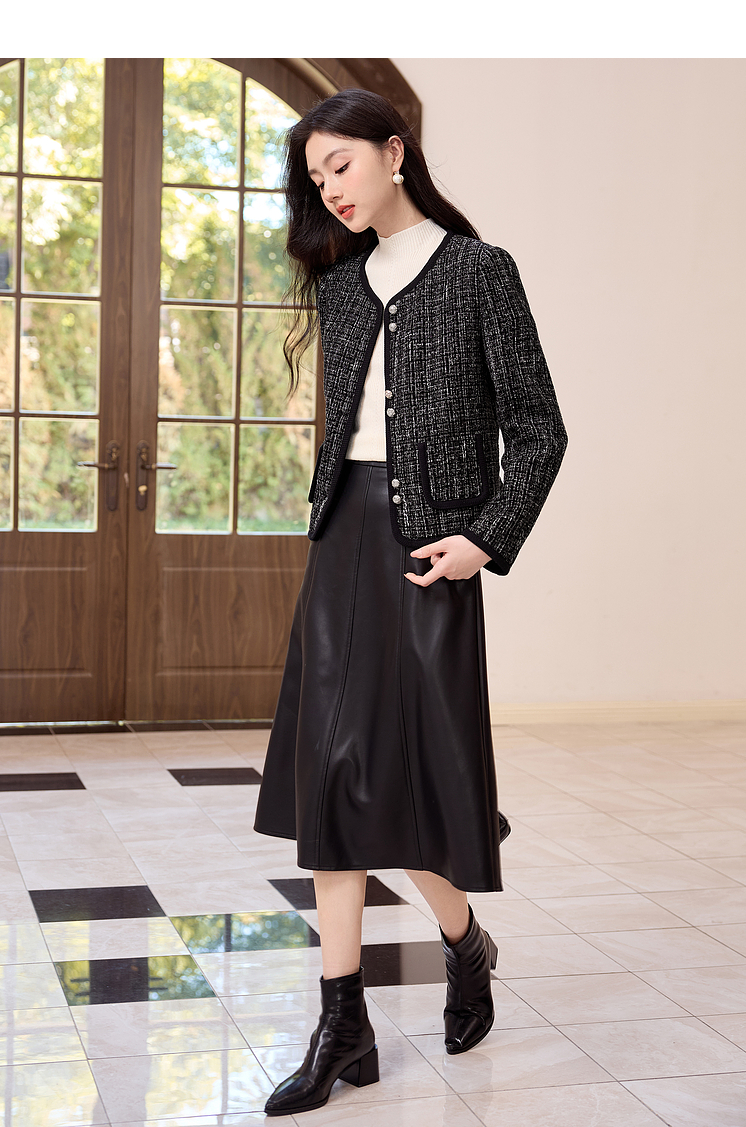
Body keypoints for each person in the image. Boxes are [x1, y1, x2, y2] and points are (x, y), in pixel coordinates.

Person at [253, 87, 568, 1117]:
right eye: (315, 179)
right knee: (332, 782)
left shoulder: (480, 272)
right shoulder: (342, 287)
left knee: (420, 790)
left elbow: (540, 429)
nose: (329, 190)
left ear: (394, 152)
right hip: (341, 538)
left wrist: (485, 536)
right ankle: (342, 1021)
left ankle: (463, 941)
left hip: (431, 550)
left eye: (339, 165)